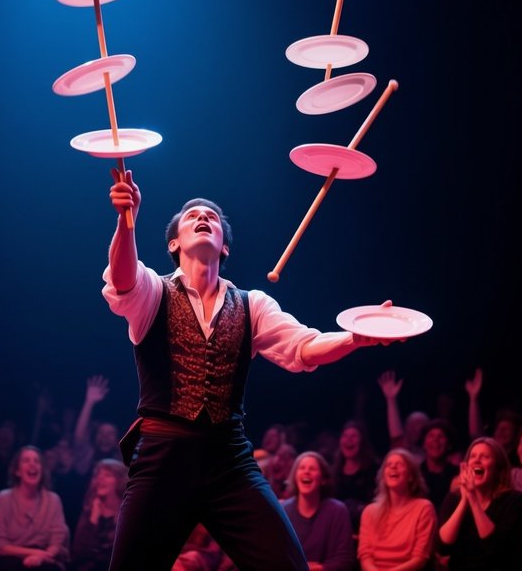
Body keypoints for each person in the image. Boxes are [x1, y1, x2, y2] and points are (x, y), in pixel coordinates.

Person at [102, 168, 397, 571]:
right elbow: (122, 280)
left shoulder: (252, 304)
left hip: (229, 461)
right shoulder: (153, 291)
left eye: (212, 217)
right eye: (192, 216)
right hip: (163, 460)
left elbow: (305, 347)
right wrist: (125, 219)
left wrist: (355, 338)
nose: (203, 217)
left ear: (224, 247)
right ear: (174, 243)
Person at [436, 436, 522, 570]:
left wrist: (472, 499)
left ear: (498, 468)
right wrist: (465, 500)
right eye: (472, 456)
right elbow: (444, 545)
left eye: (485, 457)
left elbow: (496, 548)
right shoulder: (453, 498)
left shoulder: (515, 501)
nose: (477, 460)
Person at [0, 444, 70, 569]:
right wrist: (33, 553)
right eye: (26, 460)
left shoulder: (53, 500)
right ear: (17, 471)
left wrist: (40, 557)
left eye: (37, 461)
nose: (32, 464)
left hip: (43, 559)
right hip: (10, 557)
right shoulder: (3, 498)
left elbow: (56, 542)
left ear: (42, 470)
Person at [357, 448, 437, 571]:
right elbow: (365, 556)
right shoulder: (369, 512)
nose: (393, 467)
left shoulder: (423, 508)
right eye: (389, 465)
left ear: (410, 476)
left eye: (399, 465)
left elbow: (419, 558)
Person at [281, 450, 356, 571]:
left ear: (323, 479)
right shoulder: (283, 511)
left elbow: (345, 560)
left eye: (312, 469)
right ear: (294, 477)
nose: (306, 471)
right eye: (302, 468)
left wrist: (319, 568)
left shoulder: (337, 511)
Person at [70, 458, 128, 571]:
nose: (100, 479)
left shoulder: (126, 514)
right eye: (98, 475)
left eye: (107, 475)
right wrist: (93, 519)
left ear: (119, 481)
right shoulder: (89, 511)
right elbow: (78, 552)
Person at [331, 420, 380, 534]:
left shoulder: (373, 469)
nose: (349, 440)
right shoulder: (334, 471)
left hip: (367, 530)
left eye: (354, 436)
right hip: (338, 530)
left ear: (362, 441)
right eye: (345, 436)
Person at [418, 418, 460, 512]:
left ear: (449, 445)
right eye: (431, 436)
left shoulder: (458, 474)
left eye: (441, 436)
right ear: (424, 444)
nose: (435, 440)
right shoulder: (415, 474)